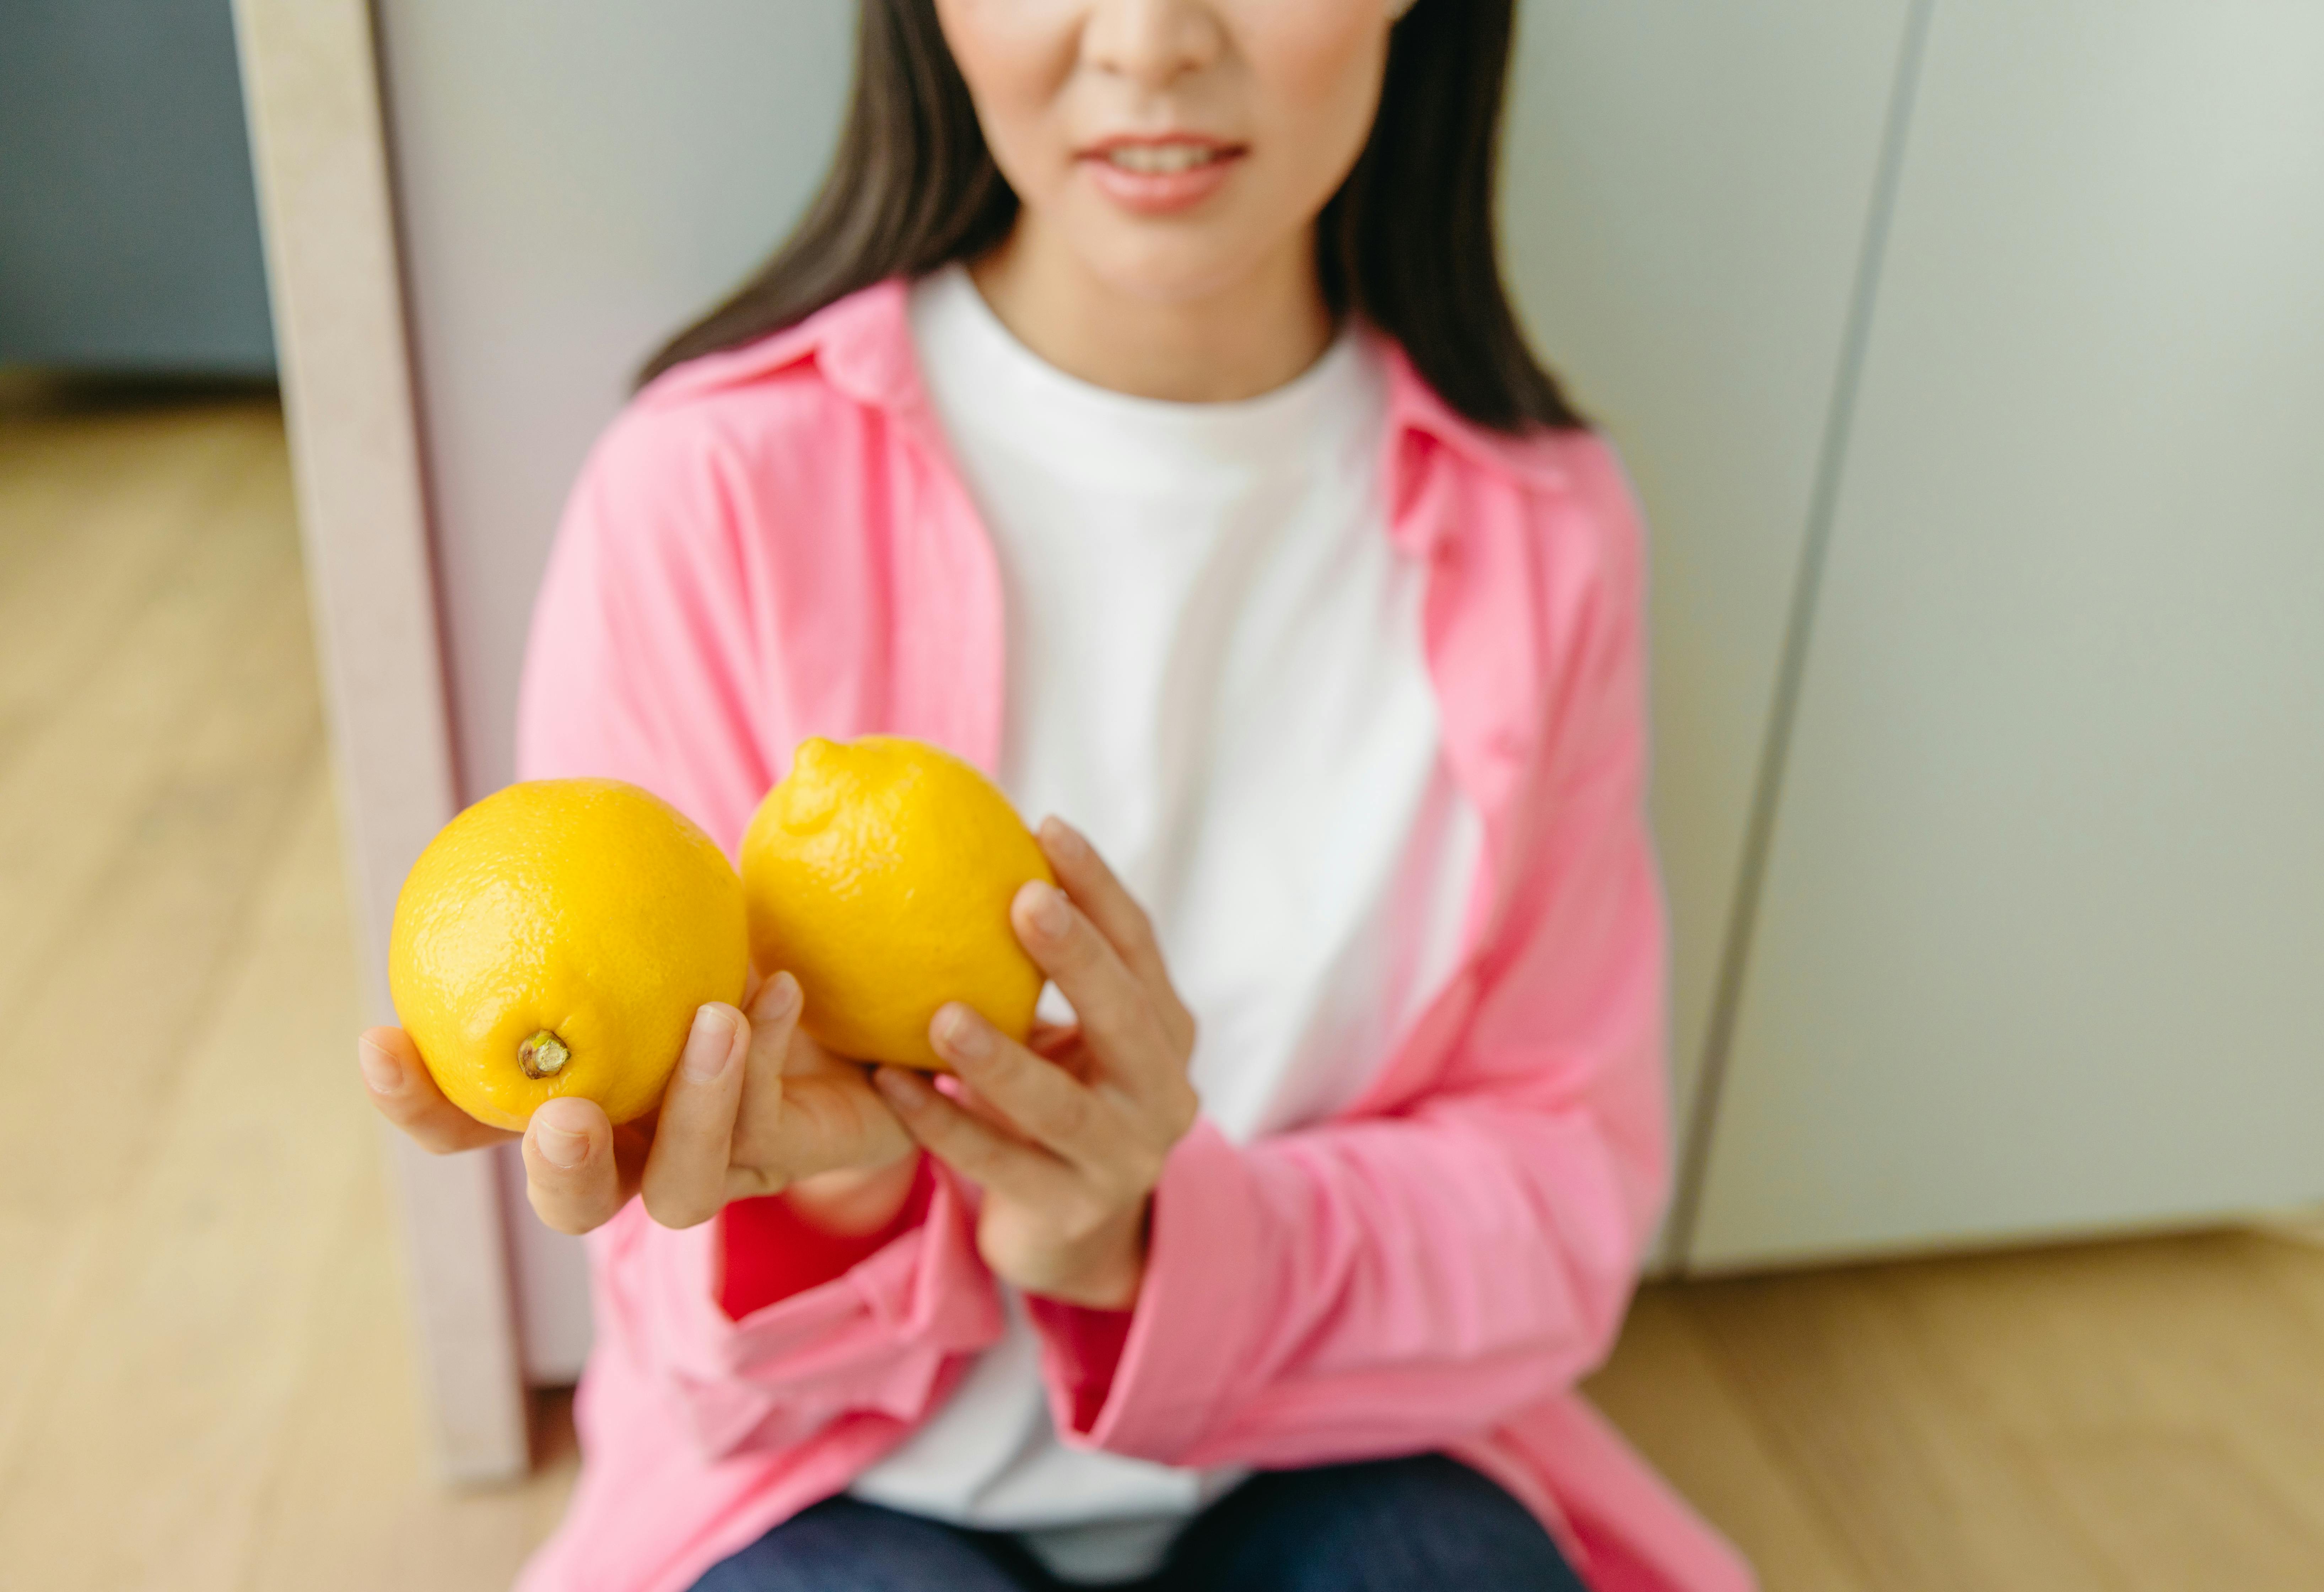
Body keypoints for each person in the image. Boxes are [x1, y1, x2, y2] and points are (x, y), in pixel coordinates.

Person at [357, 2, 1752, 1589]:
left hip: (1345, 1453)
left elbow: (1563, 1201)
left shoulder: (1547, 538)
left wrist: (1147, 1238)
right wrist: (838, 1192)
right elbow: (682, 1337)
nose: (1151, 39)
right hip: (836, 1489)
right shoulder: (709, 493)